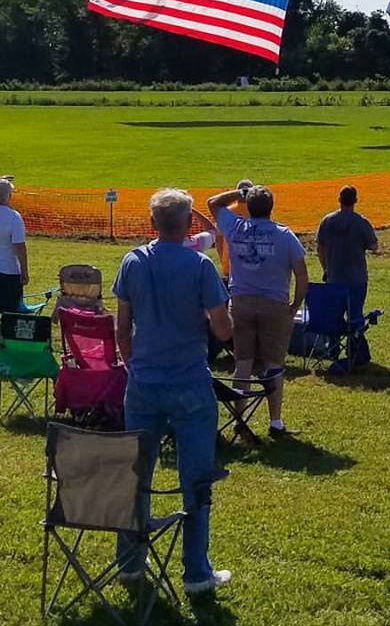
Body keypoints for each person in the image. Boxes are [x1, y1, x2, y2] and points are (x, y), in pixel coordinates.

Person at [113, 188, 233, 595]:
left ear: (152, 224)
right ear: (187, 226)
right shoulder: (200, 266)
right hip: (189, 383)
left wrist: (133, 365)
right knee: (196, 479)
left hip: (143, 382)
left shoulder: (132, 262)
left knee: (136, 475)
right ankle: (196, 572)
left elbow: (121, 327)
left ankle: (129, 561)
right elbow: (223, 330)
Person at [208, 185, 308, 438]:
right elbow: (302, 274)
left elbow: (212, 202)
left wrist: (238, 193)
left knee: (243, 362)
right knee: (274, 364)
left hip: (240, 302)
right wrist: (295, 305)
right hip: (274, 304)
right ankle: (275, 423)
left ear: (247, 207)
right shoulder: (285, 236)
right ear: (271, 207)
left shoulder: (235, 227)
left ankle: (240, 419)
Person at [316, 185, 379, 317]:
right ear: (355, 200)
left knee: (334, 316)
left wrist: (326, 269)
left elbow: (320, 248)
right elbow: (374, 246)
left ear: (339, 199)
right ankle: (355, 337)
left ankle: (334, 337)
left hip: (334, 278)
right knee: (355, 315)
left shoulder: (327, 221)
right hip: (356, 280)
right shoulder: (361, 222)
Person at [214, 178, 253, 284]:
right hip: (252, 263)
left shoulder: (227, 212)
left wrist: (223, 260)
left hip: (230, 262)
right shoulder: (257, 211)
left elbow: (218, 238)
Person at [0, 178, 27, 313]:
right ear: (9, 196)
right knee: (9, 312)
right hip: (8, 272)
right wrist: (24, 270)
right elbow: (20, 247)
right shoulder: (13, 217)